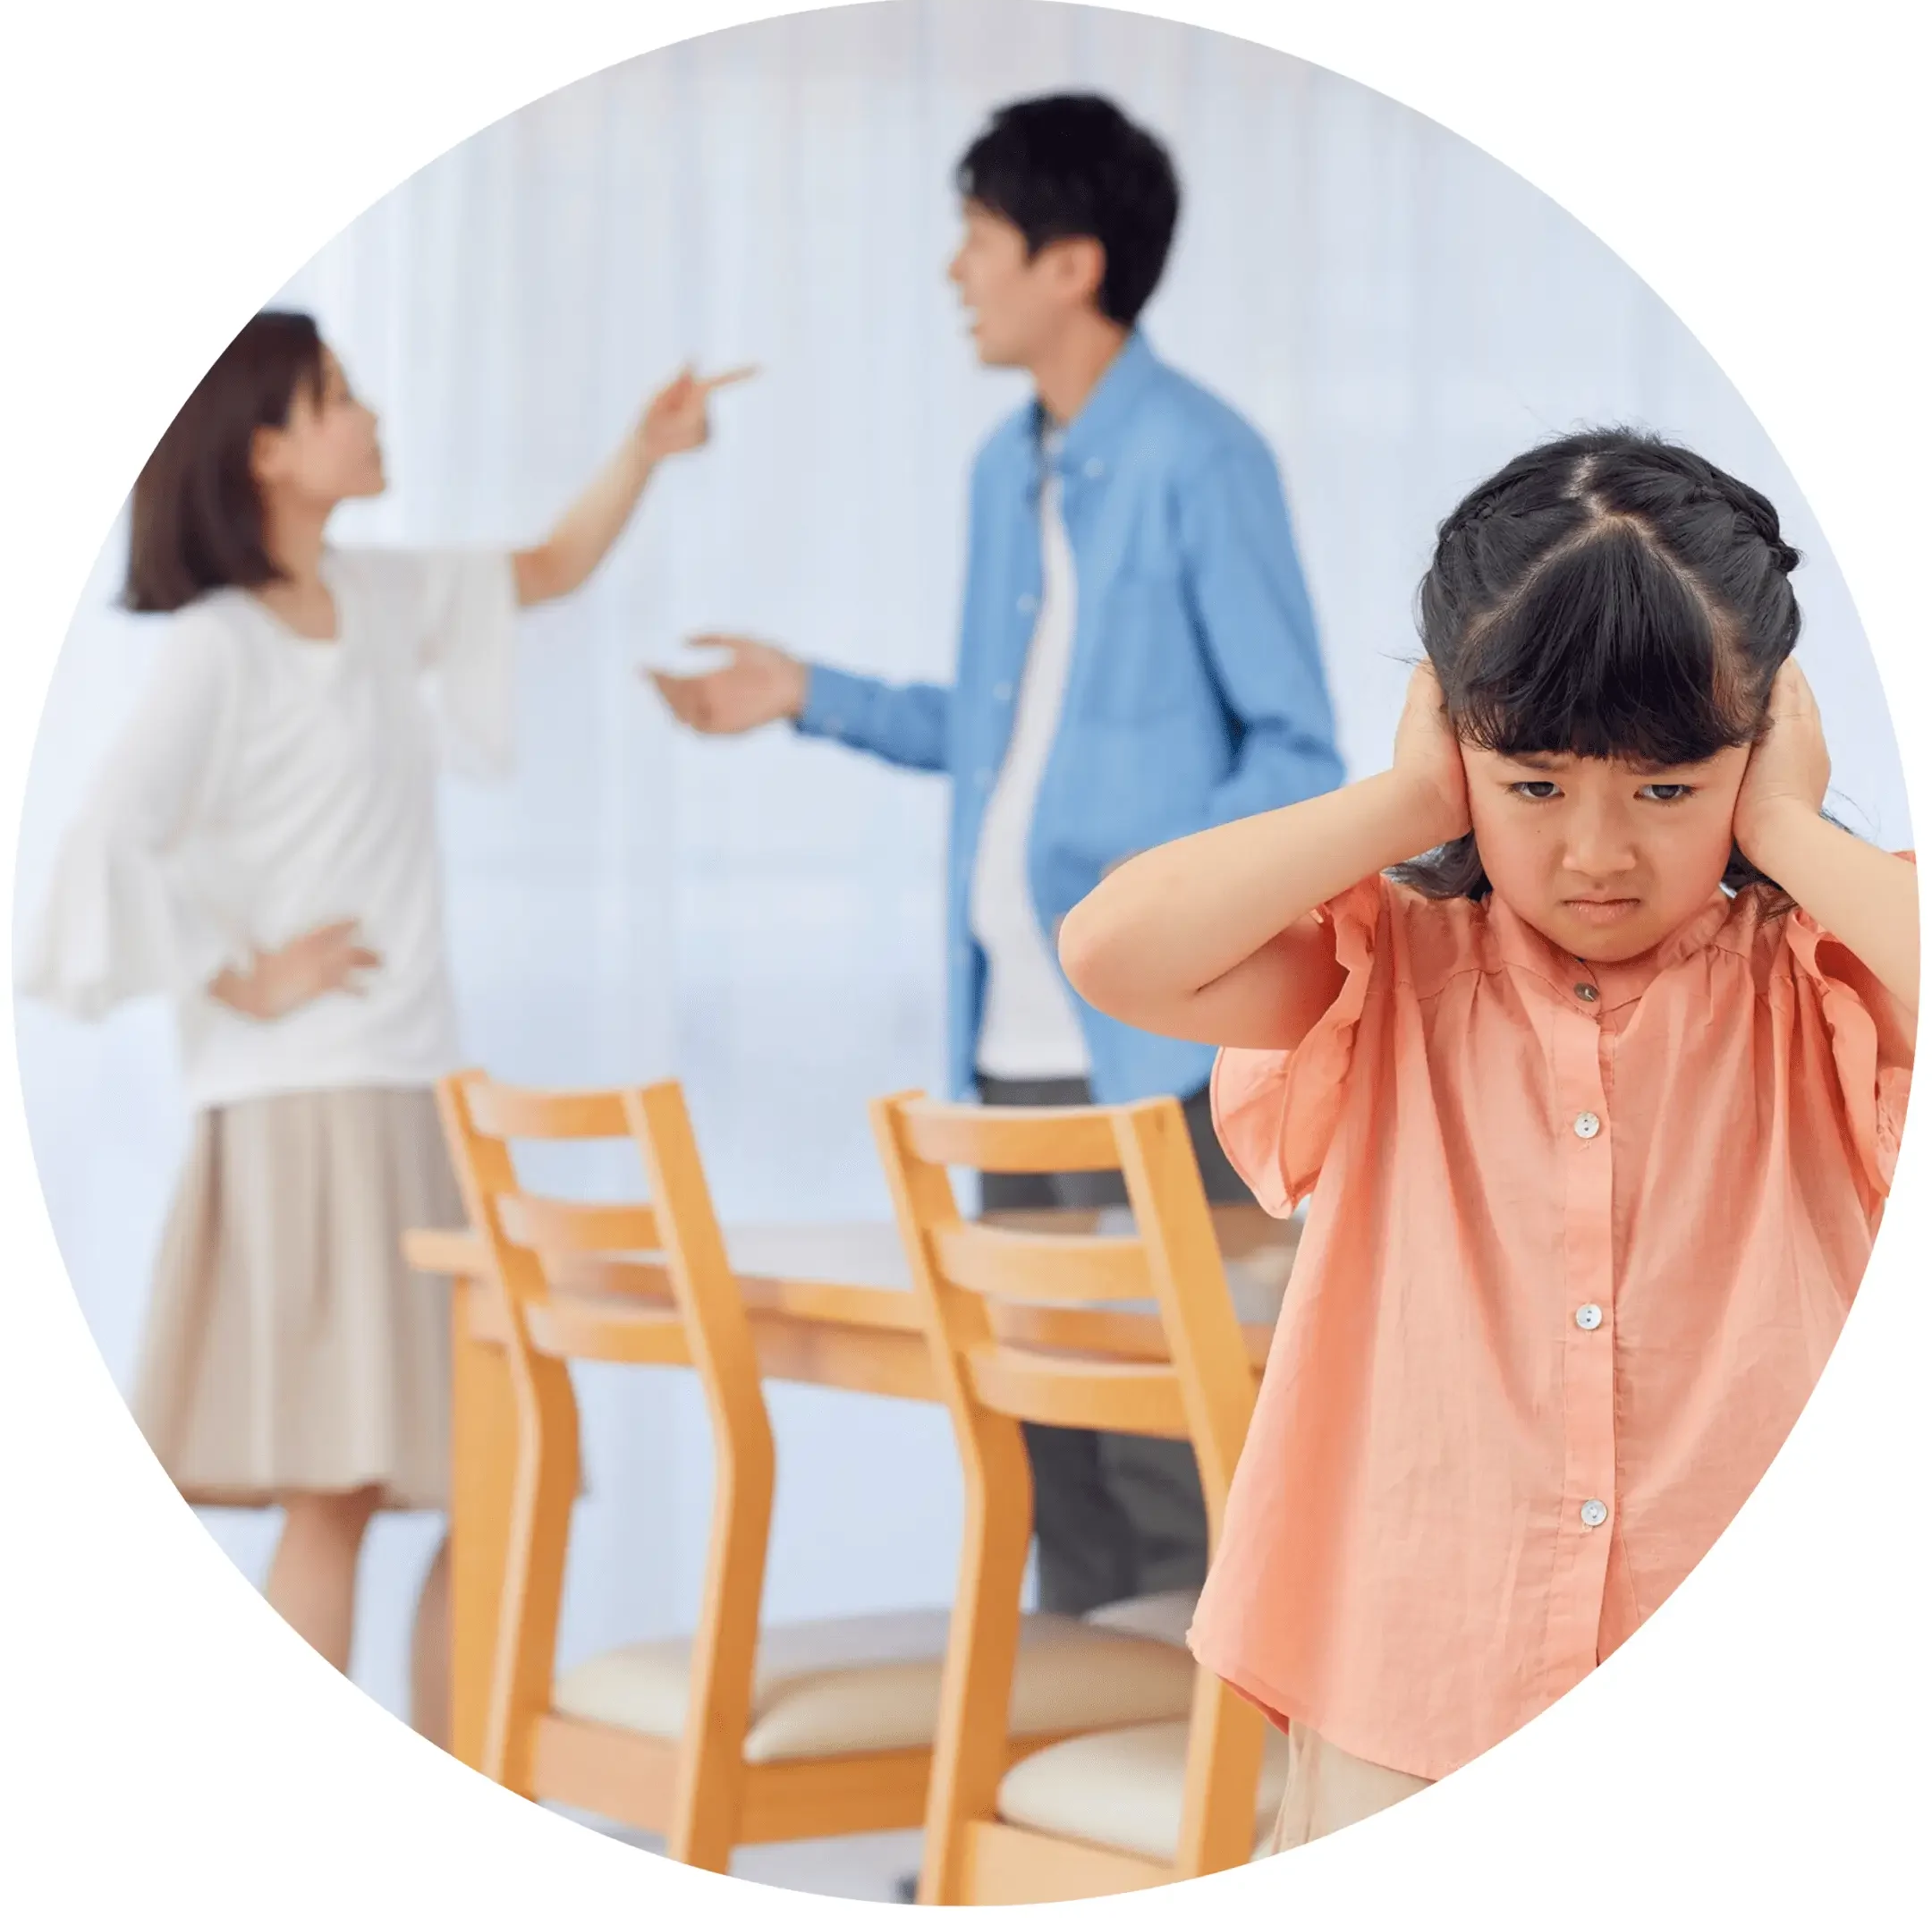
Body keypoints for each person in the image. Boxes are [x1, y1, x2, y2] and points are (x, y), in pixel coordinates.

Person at [1057, 429, 1916, 1848]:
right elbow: (1112, 950)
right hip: (1420, 1688)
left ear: (1753, 748)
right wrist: (1401, 804)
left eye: (1667, 790)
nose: (1597, 852)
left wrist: (1788, 824)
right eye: (1534, 786)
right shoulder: (1390, 967)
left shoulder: (1812, 972)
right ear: (1459, 747)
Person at [650, 92, 1343, 1621]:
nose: (956, 273)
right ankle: (1049, 1820)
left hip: (1158, 1058)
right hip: (1013, 1052)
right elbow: (997, 730)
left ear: (1071, 263)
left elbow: (1298, 754)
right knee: (1052, 1462)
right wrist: (806, 697)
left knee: (1179, 1457)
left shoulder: (1201, 459)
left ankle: (1186, 1844)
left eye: (978, 240)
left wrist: (1148, 893)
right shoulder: (1002, 468)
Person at [21, 310, 751, 1749]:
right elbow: (102, 843)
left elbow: (542, 569)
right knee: (335, 1485)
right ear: (270, 450)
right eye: (337, 398)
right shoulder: (221, 648)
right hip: (306, 1105)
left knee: (493, 1472)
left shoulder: (381, 594)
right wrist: (244, 970)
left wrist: (644, 452)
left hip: (418, 1090)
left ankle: (462, 1786)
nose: (370, 416)